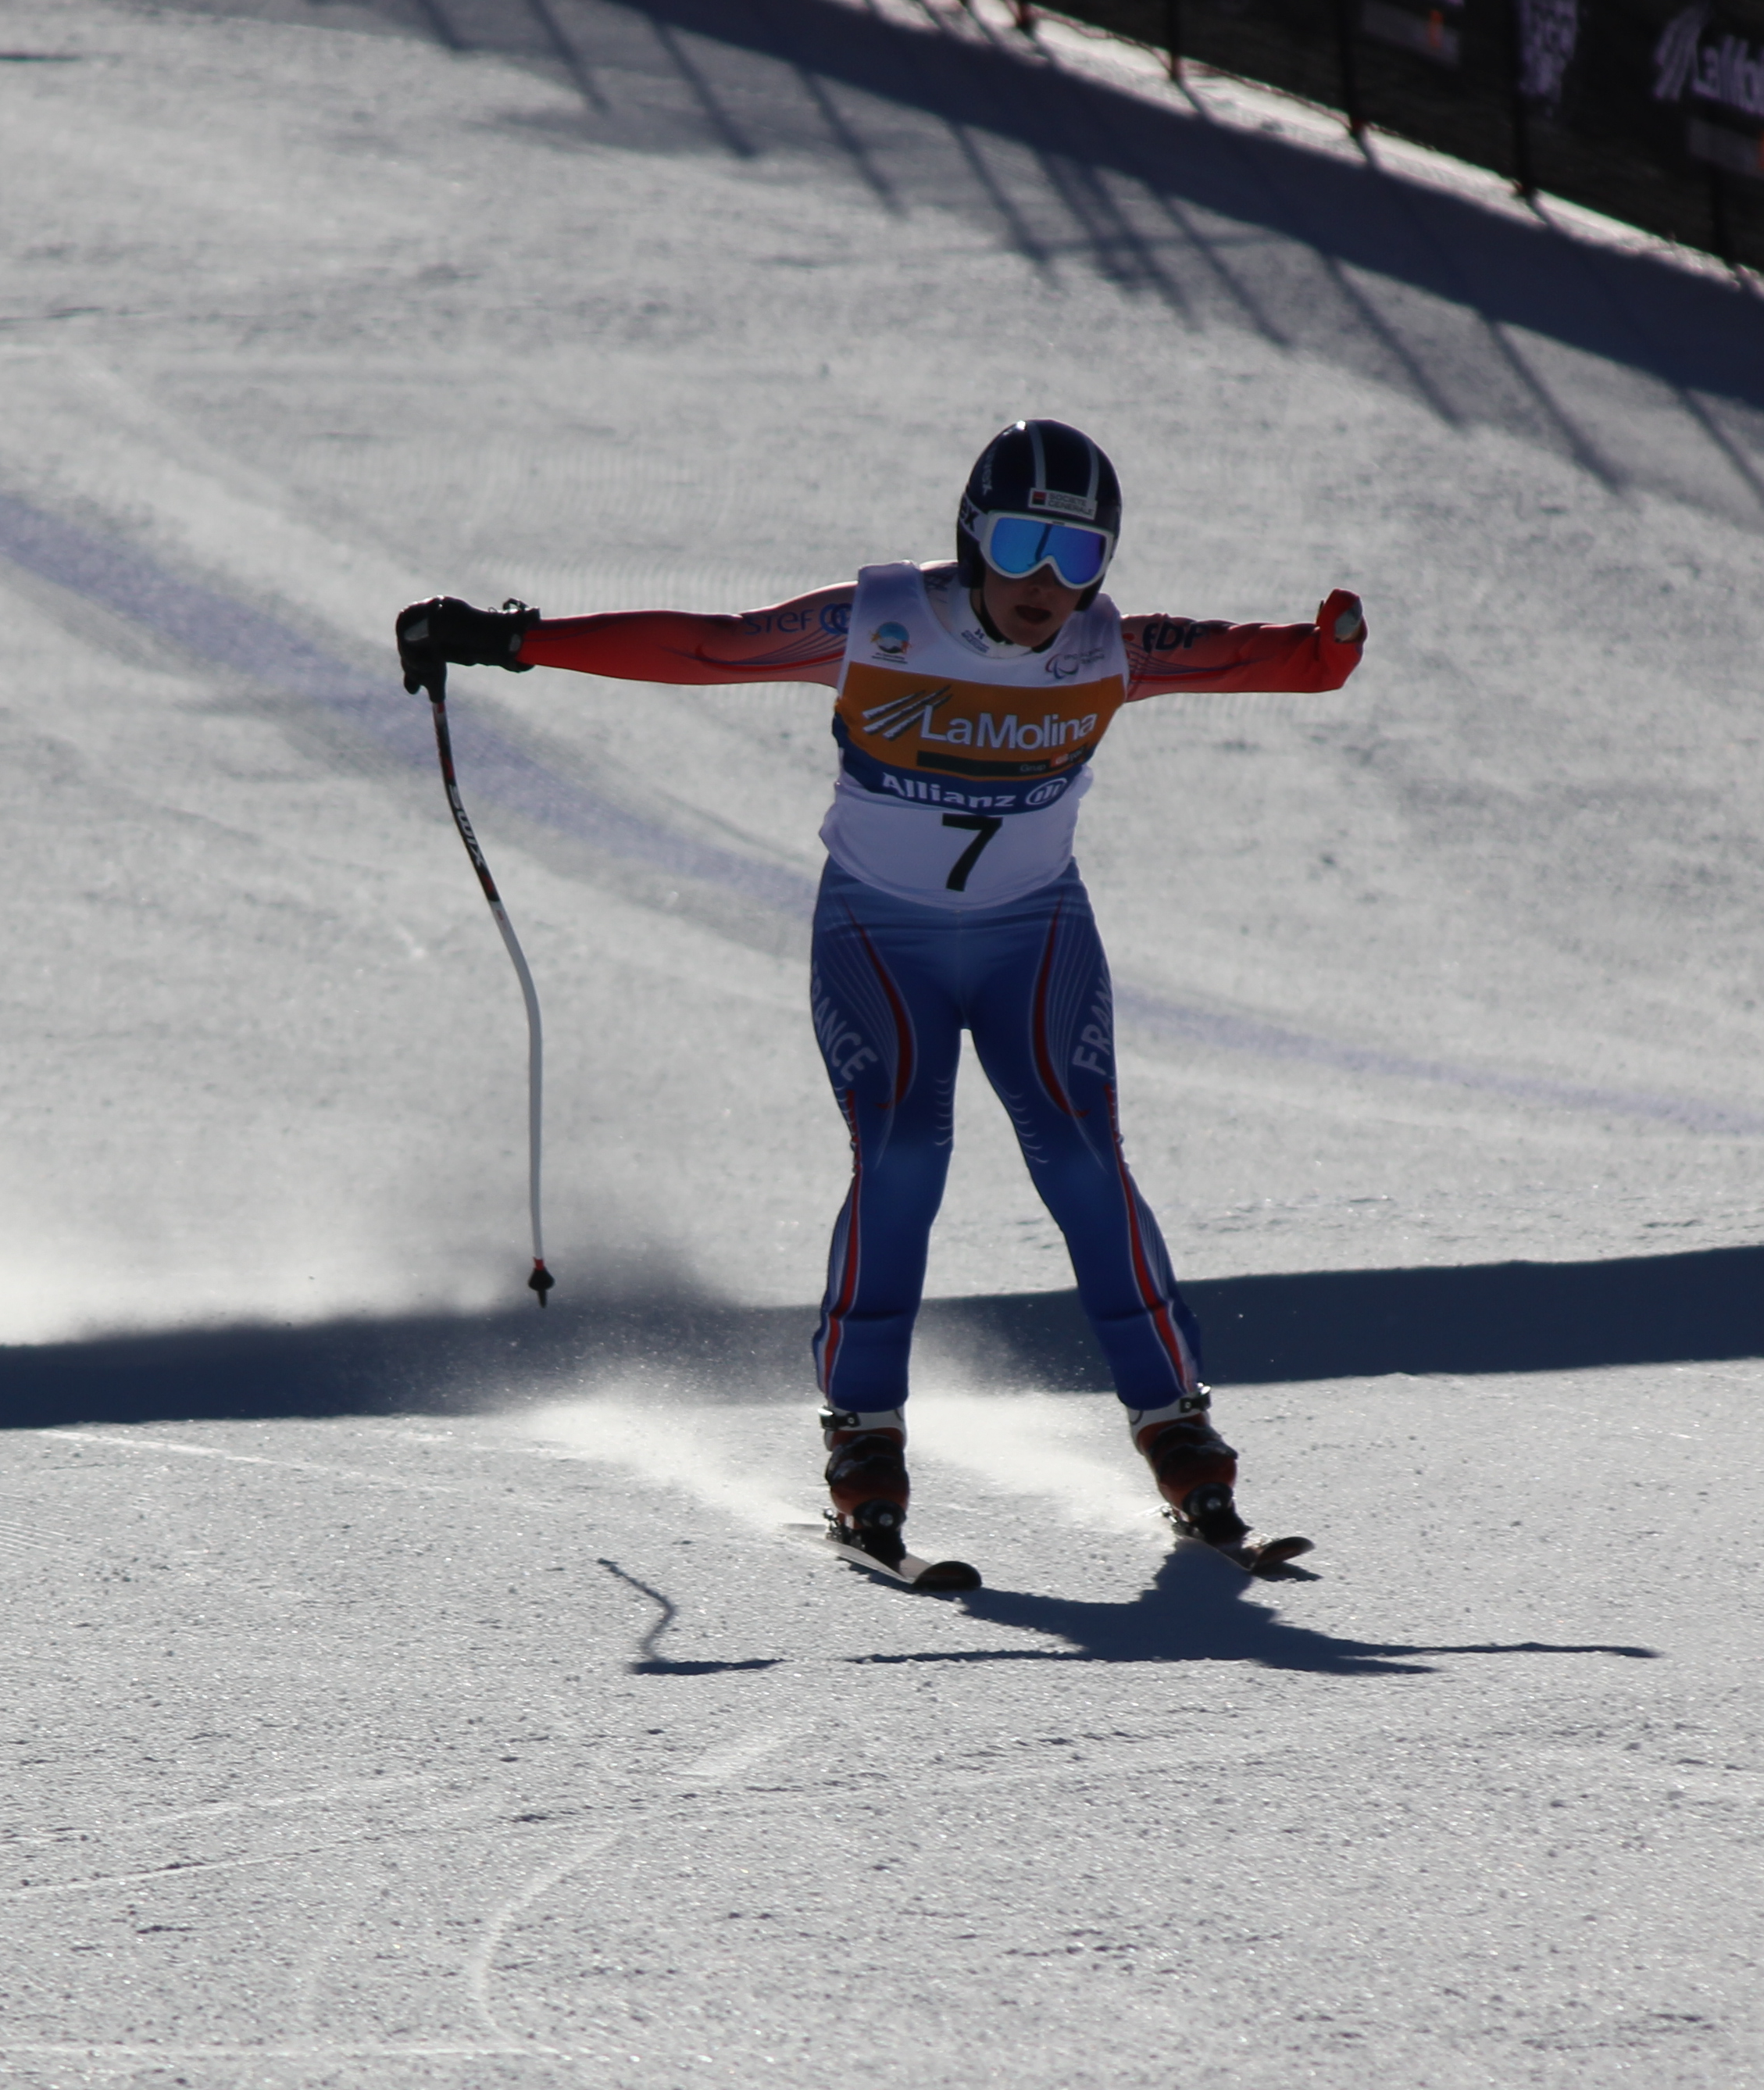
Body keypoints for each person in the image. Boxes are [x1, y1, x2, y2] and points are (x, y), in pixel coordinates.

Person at [398, 419, 1364, 1573]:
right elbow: (711, 648)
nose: (1045, 584)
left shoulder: (1109, 647)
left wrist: (1328, 647)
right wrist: (514, 642)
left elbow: (1282, 664)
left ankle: (1175, 1422)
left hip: (1034, 938)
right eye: (1018, 543)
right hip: (880, 935)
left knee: (1081, 1155)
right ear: (970, 534)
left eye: (1078, 556)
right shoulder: (878, 621)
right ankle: (863, 1435)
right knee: (904, 1150)